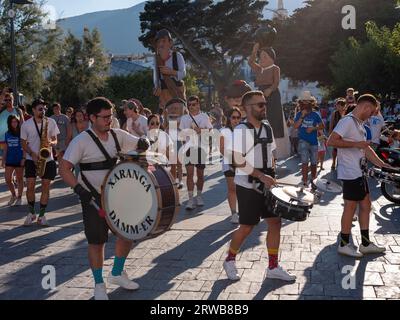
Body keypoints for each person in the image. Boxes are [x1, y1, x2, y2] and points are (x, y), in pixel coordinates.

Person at [60, 97, 150, 300]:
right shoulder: (81, 141)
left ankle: (117, 273)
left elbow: (140, 143)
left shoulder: (118, 135)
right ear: (92, 118)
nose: (109, 120)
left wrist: (145, 142)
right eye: (105, 117)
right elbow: (64, 168)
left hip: (117, 196)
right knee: (97, 242)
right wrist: (78, 188)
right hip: (92, 198)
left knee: (126, 234)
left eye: (111, 116)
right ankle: (99, 284)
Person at [223, 90, 296, 282]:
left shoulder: (267, 127)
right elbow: (236, 159)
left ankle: (273, 266)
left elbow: (271, 154)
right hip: (248, 185)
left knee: (275, 222)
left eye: (265, 104)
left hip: (267, 183)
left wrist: (272, 174)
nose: (265, 107)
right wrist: (260, 175)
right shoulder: (241, 130)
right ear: (247, 108)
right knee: (247, 226)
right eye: (260, 105)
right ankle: (229, 260)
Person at [327, 94, 389, 258]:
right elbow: (331, 141)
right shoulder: (347, 121)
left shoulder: (359, 123)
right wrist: (356, 144)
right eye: (372, 112)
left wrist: (382, 164)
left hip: (358, 172)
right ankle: (344, 244)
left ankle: (365, 243)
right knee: (350, 207)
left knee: (366, 205)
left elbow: (365, 149)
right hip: (350, 173)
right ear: (366, 107)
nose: (372, 115)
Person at [20, 99, 59, 227]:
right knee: (30, 186)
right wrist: (32, 154)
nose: (42, 111)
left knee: (45, 187)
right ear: (33, 110)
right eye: (40, 109)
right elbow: (23, 143)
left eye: (44, 109)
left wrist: (50, 143)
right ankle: (31, 213)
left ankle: (41, 216)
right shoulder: (26, 124)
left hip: (48, 159)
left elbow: (55, 140)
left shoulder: (50, 122)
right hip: (32, 159)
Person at [249, 43, 290, 159]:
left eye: (265, 56)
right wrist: (254, 51)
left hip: (272, 94)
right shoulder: (259, 68)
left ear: (272, 58)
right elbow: (250, 62)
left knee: (273, 117)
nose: (262, 59)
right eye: (260, 57)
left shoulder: (275, 68)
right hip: (260, 93)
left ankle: (275, 148)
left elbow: (276, 82)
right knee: (258, 116)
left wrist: (270, 89)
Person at [179, 96, 213, 210]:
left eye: (194, 104)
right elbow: (181, 134)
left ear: (198, 105)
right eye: (190, 105)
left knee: (200, 175)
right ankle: (190, 199)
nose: (192, 107)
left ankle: (199, 196)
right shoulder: (184, 118)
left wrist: (201, 131)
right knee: (189, 174)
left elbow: (210, 130)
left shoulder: (204, 117)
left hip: (201, 148)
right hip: (189, 148)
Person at [294, 91, 324, 187]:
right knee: (304, 161)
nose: (305, 103)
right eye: (304, 101)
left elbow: (322, 126)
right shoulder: (299, 114)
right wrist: (302, 116)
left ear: (311, 103)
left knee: (314, 163)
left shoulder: (315, 115)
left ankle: (314, 181)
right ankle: (305, 181)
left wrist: (313, 128)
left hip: (314, 141)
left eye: (308, 101)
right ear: (301, 103)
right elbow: (295, 126)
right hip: (303, 140)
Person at [153, 29, 186, 107]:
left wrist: (171, 72)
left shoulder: (177, 56)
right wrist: (156, 88)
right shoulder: (156, 59)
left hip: (177, 92)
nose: (161, 44)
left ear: (170, 43)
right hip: (164, 95)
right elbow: (155, 79)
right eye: (159, 42)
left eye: (164, 41)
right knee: (167, 116)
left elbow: (183, 73)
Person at [220, 107, 241, 224]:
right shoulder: (224, 131)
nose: (236, 120)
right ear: (229, 118)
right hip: (229, 164)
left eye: (238, 117)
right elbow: (222, 149)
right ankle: (234, 213)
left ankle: (242, 210)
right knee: (232, 188)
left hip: (243, 164)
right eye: (234, 117)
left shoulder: (244, 130)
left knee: (242, 189)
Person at [2, 115, 25, 206]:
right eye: (12, 122)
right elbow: (5, 148)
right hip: (9, 159)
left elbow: (24, 146)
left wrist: (23, 158)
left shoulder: (22, 133)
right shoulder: (7, 133)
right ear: (9, 123)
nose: (14, 123)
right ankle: (13, 195)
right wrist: (3, 160)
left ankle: (19, 197)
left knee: (20, 179)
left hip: (19, 159)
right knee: (8, 179)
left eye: (16, 121)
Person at [164, 98, 186, 190]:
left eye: (176, 107)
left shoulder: (182, 118)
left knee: (179, 164)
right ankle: (173, 181)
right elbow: (165, 128)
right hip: (170, 141)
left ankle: (180, 180)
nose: (173, 109)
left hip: (179, 141)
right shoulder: (168, 118)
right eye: (171, 107)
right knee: (173, 164)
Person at [0, 92, 24, 160]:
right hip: (2, 141)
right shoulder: (1, 110)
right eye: (6, 100)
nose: (8, 101)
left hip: (15, 140)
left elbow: (22, 124)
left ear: (13, 100)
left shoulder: (18, 110)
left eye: (10, 99)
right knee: (4, 163)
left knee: (14, 161)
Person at [329, 98, 346, 170]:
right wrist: (330, 133)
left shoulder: (346, 113)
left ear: (343, 106)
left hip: (344, 134)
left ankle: (340, 163)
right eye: (337, 105)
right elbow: (331, 123)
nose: (337, 107)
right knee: (335, 149)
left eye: (338, 105)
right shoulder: (335, 113)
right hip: (336, 133)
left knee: (342, 149)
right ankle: (333, 162)